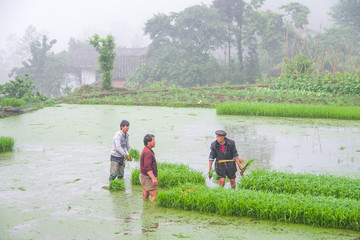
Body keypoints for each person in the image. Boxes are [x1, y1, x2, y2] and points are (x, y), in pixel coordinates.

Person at [140, 134, 158, 202]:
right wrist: (154, 178)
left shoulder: (146, 150)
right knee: (155, 195)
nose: (154, 141)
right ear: (148, 142)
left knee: (145, 195)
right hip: (148, 177)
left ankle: (145, 209)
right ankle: (150, 210)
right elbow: (147, 167)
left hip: (143, 176)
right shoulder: (148, 153)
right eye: (153, 140)